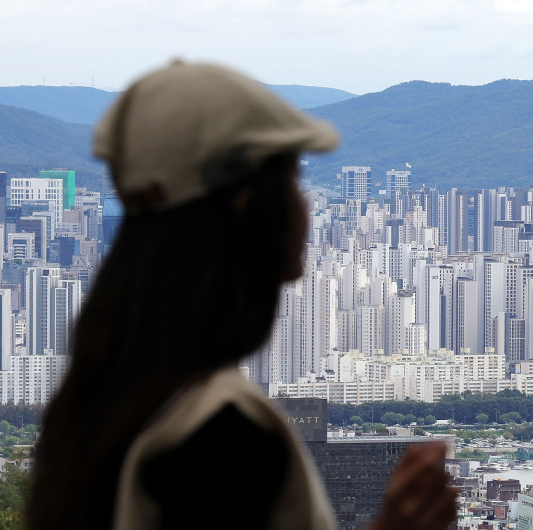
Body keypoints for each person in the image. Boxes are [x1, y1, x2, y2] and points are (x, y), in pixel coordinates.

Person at [26, 61, 457, 530]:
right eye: (293, 179)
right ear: (245, 205)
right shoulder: (218, 432)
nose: (305, 203)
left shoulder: (103, 397)